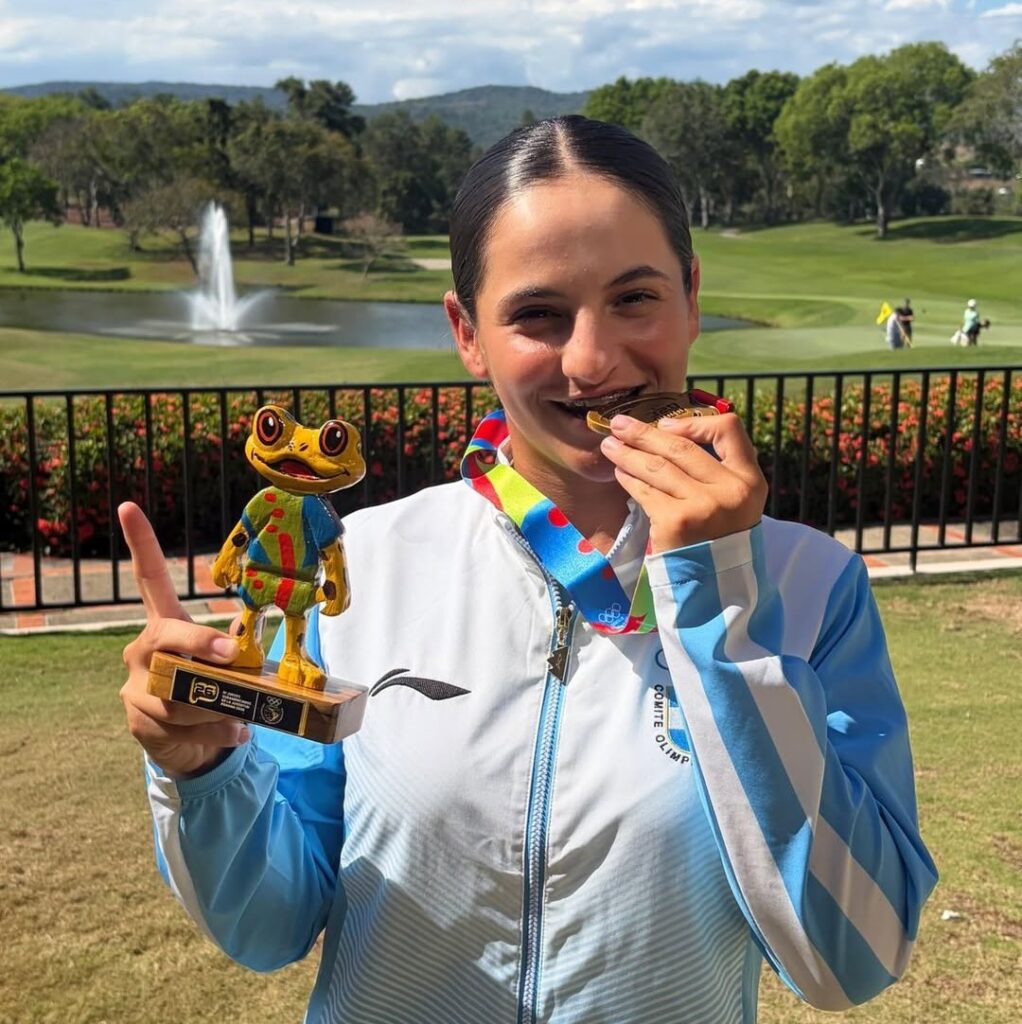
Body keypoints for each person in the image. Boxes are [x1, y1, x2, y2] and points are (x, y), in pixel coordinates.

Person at [119, 116, 937, 1024]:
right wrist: (203, 774)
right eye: (538, 315)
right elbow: (267, 927)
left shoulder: (813, 586)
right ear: (467, 333)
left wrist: (721, 608)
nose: (592, 361)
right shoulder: (358, 565)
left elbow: (855, 955)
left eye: (635, 299)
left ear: (692, 297)